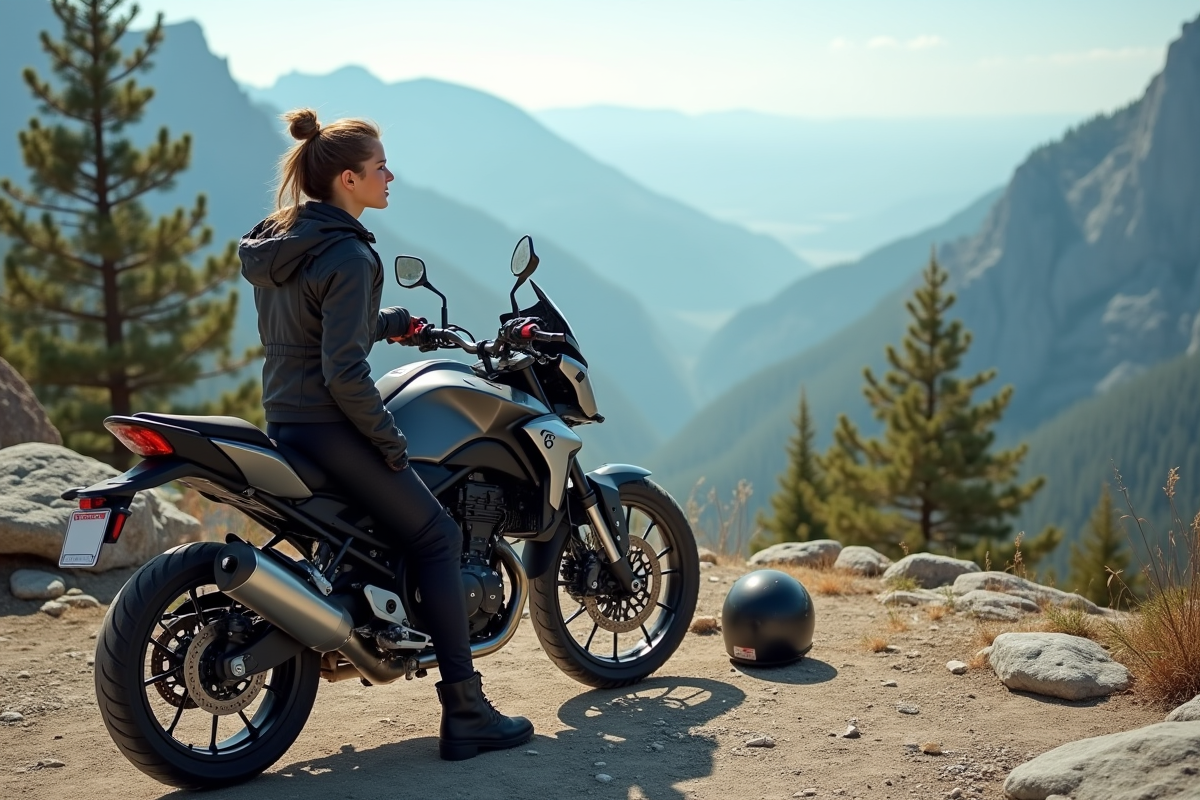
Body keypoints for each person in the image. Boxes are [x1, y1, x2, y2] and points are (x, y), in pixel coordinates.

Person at [238, 108, 533, 761]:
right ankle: (466, 710)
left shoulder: (284, 240)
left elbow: (314, 326)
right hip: (333, 425)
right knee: (437, 534)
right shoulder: (348, 253)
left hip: (287, 419)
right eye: (379, 168)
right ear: (348, 180)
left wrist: (387, 319)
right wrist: (387, 441)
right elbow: (344, 374)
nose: (390, 176)